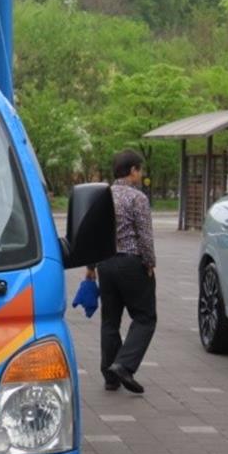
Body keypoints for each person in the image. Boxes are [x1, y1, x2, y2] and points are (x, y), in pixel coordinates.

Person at [86, 149, 156, 394]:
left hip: (105, 263)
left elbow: (93, 233)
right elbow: (144, 235)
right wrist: (150, 262)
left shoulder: (101, 197)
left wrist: (91, 267)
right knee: (145, 317)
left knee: (110, 321)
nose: (141, 174)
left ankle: (110, 376)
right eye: (140, 169)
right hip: (131, 263)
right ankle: (124, 365)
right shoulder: (137, 198)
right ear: (133, 170)